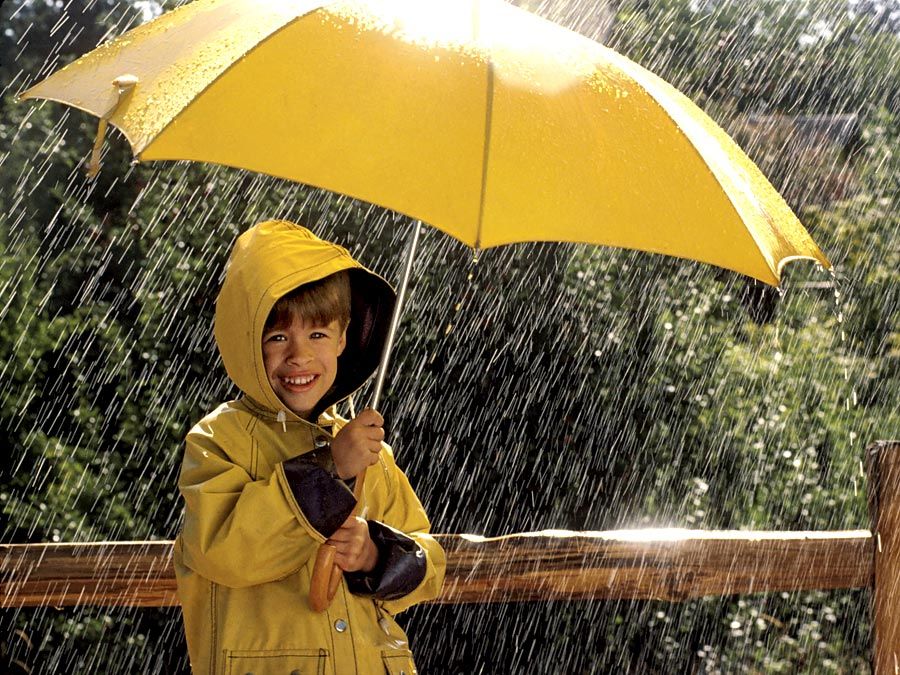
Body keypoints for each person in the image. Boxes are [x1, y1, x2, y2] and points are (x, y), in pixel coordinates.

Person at [174, 219, 445, 675]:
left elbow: (429, 560)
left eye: (317, 334)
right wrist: (329, 468)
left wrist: (375, 554)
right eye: (277, 336)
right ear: (246, 344)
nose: (299, 355)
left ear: (342, 338)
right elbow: (225, 551)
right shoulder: (220, 440)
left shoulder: (367, 447)